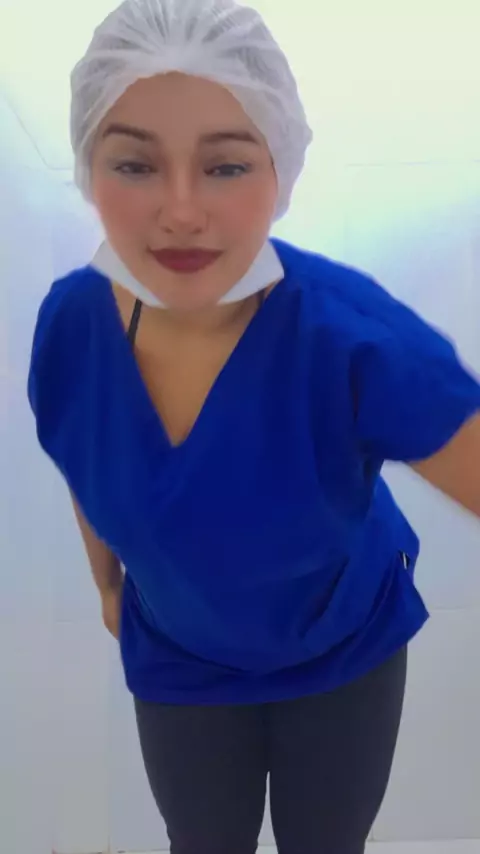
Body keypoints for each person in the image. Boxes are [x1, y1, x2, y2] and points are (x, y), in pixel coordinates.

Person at [27, 0, 480, 852]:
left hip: (342, 655)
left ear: (280, 169)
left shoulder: (349, 338)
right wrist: (108, 585)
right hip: (180, 658)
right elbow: (89, 461)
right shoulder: (73, 327)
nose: (181, 210)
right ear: (90, 167)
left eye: (226, 166)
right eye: (135, 163)